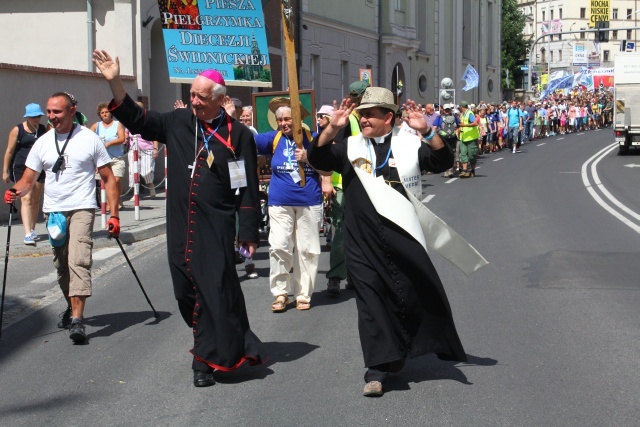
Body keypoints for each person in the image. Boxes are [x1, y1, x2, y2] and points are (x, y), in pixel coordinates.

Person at [93, 49, 265, 387]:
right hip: (180, 222)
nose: (195, 102)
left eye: (201, 98)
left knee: (213, 290)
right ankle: (230, 341)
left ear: (220, 99)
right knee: (184, 291)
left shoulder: (239, 136)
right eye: (192, 96)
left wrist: (247, 231)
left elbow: (246, 186)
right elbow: (138, 119)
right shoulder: (178, 122)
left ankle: (203, 361)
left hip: (216, 225)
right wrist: (115, 82)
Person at [308, 87, 486, 397]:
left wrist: (428, 131)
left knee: (409, 293)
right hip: (361, 240)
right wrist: (331, 128)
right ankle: (377, 368)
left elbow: (441, 160)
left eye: (369, 114)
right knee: (370, 300)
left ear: (388, 117)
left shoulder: (407, 146)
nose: (362, 118)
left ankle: (403, 348)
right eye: (360, 113)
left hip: (402, 236)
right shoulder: (349, 147)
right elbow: (318, 156)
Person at [4, 92, 120, 344]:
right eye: (49, 112)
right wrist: (15, 191)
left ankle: (77, 320)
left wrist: (114, 215)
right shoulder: (43, 142)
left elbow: (109, 179)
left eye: (57, 112)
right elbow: (28, 178)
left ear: (71, 110)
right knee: (62, 266)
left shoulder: (89, 139)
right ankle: (71, 305)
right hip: (54, 211)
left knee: (79, 260)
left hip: (82, 207)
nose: (51, 117)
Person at [254, 99, 325, 312]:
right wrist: (229, 116)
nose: (284, 123)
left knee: (307, 249)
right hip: (279, 202)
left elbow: (328, 167)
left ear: (298, 119)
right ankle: (281, 293)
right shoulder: (273, 139)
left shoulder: (313, 139)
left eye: (288, 119)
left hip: (309, 201)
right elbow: (245, 140)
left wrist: (308, 158)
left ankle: (303, 293)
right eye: (280, 120)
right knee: (279, 245)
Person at [3, 103, 47, 245]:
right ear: (27, 116)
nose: (37, 119)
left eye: (39, 116)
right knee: (26, 198)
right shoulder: (18, 130)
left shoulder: (42, 129)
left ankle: (32, 229)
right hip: (21, 167)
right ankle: (27, 233)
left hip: (38, 167)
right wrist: (5, 171)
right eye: (34, 116)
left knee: (35, 199)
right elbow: (9, 151)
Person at [90, 102, 126, 210]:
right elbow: (88, 136)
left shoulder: (117, 124)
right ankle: (112, 202)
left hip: (116, 158)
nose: (105, 114)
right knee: (107, 183)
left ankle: (117, 199)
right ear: (100, 114)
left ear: (111, 113)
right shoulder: (97, 126)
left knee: (116, 180)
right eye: (102, 113)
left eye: (107, 112)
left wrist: (109, 143)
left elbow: (122, 138)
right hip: (102, 160)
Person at [126, 102, 159, 198]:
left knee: (147, 171)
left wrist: (155, 148)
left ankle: (151, 185)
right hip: (133, 149)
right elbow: (126, 133)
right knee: (133, 171)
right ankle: (135, 193)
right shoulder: (129, 121)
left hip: (147, 149)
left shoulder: (148, 121)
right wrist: (125, 138)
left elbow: (155, 136)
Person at [458, 101, 479, 178]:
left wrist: (464, 125)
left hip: (471, 138)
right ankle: (465, 171)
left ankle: (472, 170)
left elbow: (475, 123)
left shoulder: (469, 113)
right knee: (463, 154)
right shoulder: (462, 114)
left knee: (471, 156)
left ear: (462, 107)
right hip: (464, 138)